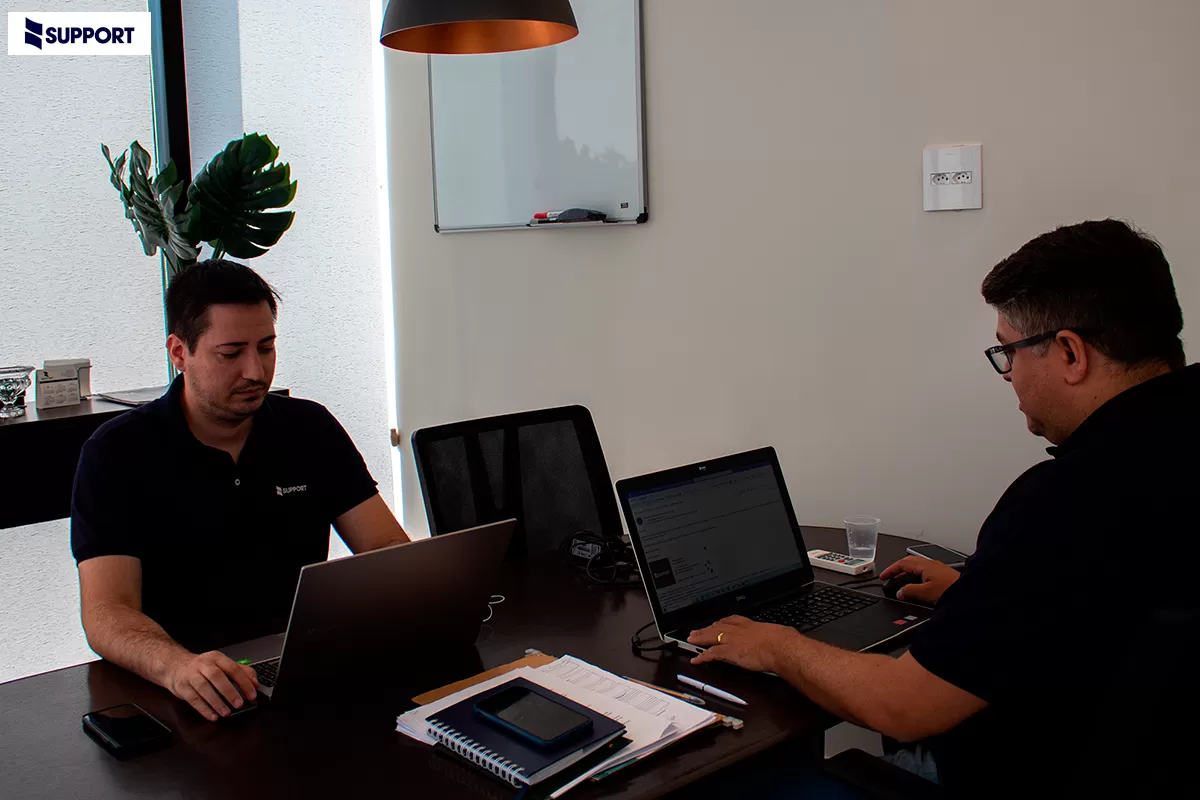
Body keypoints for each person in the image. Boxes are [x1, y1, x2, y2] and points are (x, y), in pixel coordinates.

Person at [686, 220, 1198, 795]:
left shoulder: (1066, 500)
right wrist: (979, 591)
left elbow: (905, 706)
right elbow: (1113, 599)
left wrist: (776, 645)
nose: (1008, 376)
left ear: (1070, 352)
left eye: (1007, 352)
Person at [71, 259, 410, 723]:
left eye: (266, 348)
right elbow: (107, 611)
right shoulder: (117, 452)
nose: (255, 371)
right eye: (231, 354)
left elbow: (386, 546)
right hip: (184, 690)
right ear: (179, 352)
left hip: (301, 669)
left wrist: (419, 594)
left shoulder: (309, 429)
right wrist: (178, 667)